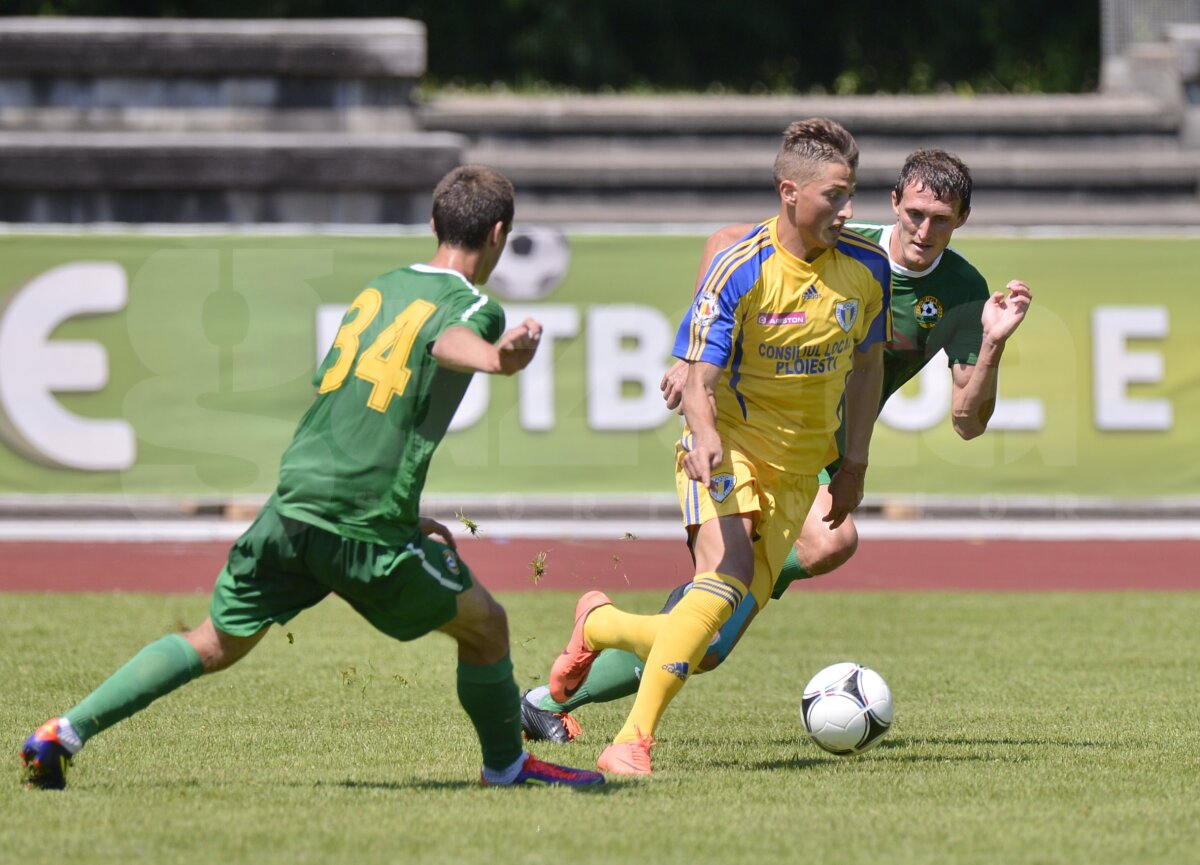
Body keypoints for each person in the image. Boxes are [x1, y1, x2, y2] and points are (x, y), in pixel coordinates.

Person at [20, 165, 603, 790]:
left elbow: (358, 404)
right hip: (359, 521)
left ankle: (63, 733)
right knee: (487, 626)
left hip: (295, 500)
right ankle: (506, 768)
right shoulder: (475, 306)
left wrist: (405, 514)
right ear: (498, 233)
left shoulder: (380, 288)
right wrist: (494, 356)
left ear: (433, 224)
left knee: (214, 641)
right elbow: (444, 340)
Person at [522, 148, 1032, 747]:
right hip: (747, 433)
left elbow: (968, 421)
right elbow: (724, 243)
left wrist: (993, 345)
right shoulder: (846, 237)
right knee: (799, 562)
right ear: (894, 202)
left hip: (816, 456)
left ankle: (556, 683)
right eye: (915, 213)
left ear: (962, 220)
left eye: (940, 219)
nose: (923, 230)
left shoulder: (963, 290)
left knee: (716, 634)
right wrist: (691, 352)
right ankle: (622, 710)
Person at [543, 119, 891, 775]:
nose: (848, 212)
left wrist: (854, 464)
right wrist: (703, 435)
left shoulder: (869, 270)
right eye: (834, 197)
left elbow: (869, 367)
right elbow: (696, 375)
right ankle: (631, 741)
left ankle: (601, 623)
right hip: (726, 447)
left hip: (797, 476)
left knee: (706, 639)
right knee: (722, 580)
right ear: (790, 192)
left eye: (852, 196)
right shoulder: (741, 267)